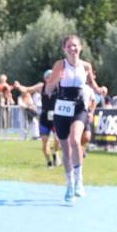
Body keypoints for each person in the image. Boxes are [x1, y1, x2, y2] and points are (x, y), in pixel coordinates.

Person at [44, 35, 104, 202]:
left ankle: (79, 181)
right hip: (62, 108)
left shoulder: (86, 66)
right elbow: (48, 89)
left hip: (79, 107)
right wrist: (57, 79)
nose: (72, 49)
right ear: (64, 49)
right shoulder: (60, 65)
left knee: (75, 141)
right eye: (69, 46)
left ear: (81, 47)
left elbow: (93, 85)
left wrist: (101, 90)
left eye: (75, 45)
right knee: (65, 148)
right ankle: (69, 183)